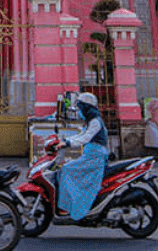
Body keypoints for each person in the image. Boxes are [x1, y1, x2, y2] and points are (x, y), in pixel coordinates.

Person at [57, 90, 109, 220]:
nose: (79, 111)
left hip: (95, 157)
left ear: (87, 108)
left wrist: (68, 143)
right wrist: (65, 141)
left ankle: (68, 206)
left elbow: (86, 138)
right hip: (91, 155)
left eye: (81, 107)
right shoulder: (92, 121)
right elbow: (81, 135)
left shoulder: (95, 122)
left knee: (67, 169)